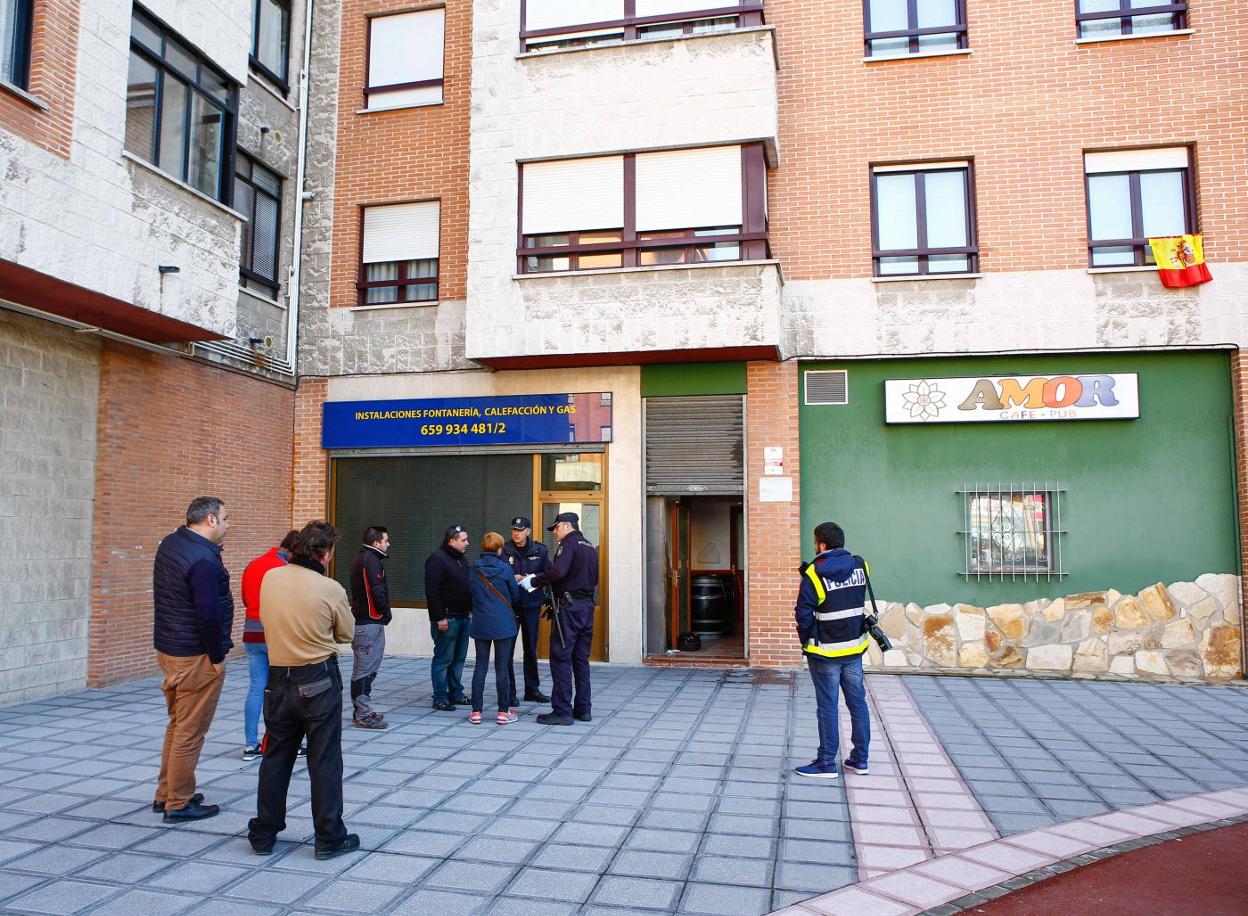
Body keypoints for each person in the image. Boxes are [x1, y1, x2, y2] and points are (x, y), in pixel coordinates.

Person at [249, 519, 359, 860]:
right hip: (318, 678)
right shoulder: (330, 589)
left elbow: (265, 618)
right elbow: (347, 633)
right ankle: (328, 836)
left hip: (278, 677)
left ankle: (264, 832)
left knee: (276, 757)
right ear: (324, 553)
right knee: (324, 759)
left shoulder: (270, 578)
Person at [151, 496, 234, 822]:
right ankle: (179, 803)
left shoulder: (172, 543)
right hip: (195, 656)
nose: (229, 524)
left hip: (170, 649)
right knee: (190, 731)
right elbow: (208, 613)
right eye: (225, 518)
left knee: (177, 725)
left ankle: (167, 793)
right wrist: (216, 657)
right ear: (210, 520)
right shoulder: (202, 559)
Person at [792, 521, 871, 780]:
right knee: (857, 704)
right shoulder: (861, 565)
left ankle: (826, 763)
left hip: (825, 652)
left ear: (822, 544)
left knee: (828, 707)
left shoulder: (814, 573)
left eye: (815, 542)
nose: (814, 547)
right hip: (854, 648)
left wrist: (808, 640)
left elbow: (803, 613)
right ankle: (860, 760)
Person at [527, 512, 598, 726]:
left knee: (560, 657)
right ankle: (583, 709)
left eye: (556, 528)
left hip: (569, 609)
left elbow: (558, 572)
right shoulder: (589, 545)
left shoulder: (569, 544)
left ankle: (562, 711)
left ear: (566, 526)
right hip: (586, 607)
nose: (555, 533)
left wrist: (534, 581)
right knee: (580, 660)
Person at [239, 530, 299, 760]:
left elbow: (245, 598)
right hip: (274, 633)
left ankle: (250, 744)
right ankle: (279, 742)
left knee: (256, 688)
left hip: (251, 633)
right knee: (283, 690)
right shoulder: (283, 569)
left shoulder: (253, 564)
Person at [468, 532, 523, 725]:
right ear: (500, 548)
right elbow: (515, 596)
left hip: (481, 622)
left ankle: (476, 712)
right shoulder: (505, 568)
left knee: (480, 666)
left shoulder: (474, 568)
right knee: (502, 667)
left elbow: (470, 593)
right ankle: (502, 712)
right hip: (503, 624)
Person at [502, 516, 551, 705]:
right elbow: (497, 573)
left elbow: (549, 573)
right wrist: (510, 576)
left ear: (528, 531)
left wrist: (533, 578)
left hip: (531, 605)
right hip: (510, 606)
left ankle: (532, 690)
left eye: (520, 530)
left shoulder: (540, 550)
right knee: (508, 650)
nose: (516, 533)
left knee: (530, 648)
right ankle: (510, 692)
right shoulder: (504, 550)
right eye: (514, 529)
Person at [425, 525, 472, 710]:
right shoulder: (437, 559)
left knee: (459, 658)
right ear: (452, 541)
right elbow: (432, 590)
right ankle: (440, 697)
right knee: (443, 658)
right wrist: (439, 617)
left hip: (463, 617)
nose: (467, 543)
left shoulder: (461, 559)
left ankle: (456, 693)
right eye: (464, 540)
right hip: (447, 618)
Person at [349, 525, 392, 730]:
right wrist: (385, 612)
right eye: (386, 540)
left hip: (366, 622)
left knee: (363, 669)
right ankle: (364, 713)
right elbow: (377, 590)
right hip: (369, 623)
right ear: (376, 543)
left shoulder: (363, 558)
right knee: (365, 671)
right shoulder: (371, 560)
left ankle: (360, 710)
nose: (388, 544)